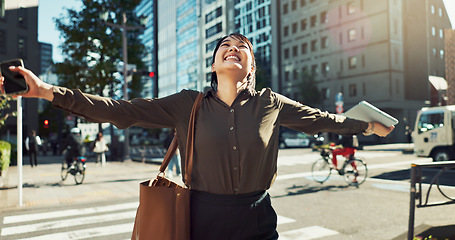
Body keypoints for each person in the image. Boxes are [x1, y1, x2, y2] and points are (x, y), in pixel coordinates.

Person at [1, 33, 394, 239]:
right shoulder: (186, 104)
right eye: (225, 46)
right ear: (214, 62)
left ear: (251, 67)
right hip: (202, 218)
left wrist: (367, 125)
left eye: (243, 48)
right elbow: (122, 110)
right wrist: (47, 92)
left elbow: (324, 120)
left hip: (258, 218)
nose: (233, 49)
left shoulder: (271, 103)